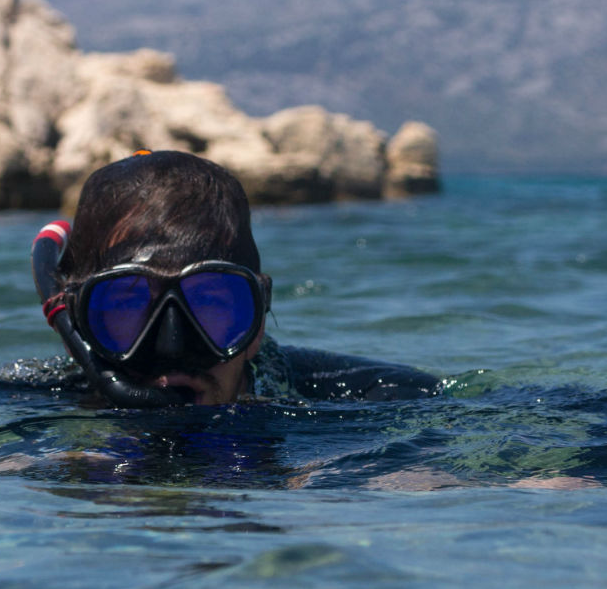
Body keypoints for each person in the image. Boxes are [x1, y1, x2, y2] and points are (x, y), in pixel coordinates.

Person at [32, 150, 440, 407]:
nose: (173, 346)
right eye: (127, 304)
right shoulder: (14, 410)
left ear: (257, 320)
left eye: (209, 301)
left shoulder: (382, 399)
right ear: (77, 329)